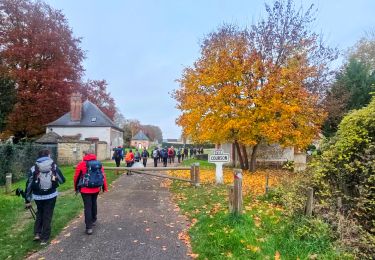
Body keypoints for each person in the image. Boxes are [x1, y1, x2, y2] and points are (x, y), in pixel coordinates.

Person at [25, 149, 65, 245]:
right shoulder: (53, 166)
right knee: (47, 215)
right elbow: (62, 180)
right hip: (51, 195)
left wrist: (27, 199)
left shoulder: (33, 168)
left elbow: (29, 184)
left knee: (40, 213)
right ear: (48, 155)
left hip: (38, 196)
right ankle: (45, 238)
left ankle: (37, 233)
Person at [74, 150, 108, 235]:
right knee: (94, 203)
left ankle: (89, 227)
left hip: (85, 189)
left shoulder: (82, 164)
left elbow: (76, 177)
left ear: (85, 155)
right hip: (96, 188)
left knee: (87, 206)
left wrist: (76, 188)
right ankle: (93, 219)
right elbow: (103, 175)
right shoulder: (98, 164)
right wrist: (104, 187)